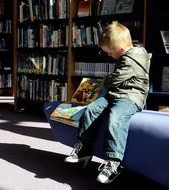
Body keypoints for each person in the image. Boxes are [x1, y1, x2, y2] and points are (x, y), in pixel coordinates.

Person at [64, 21, 151, 184]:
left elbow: (115, 78)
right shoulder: (125, 54)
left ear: (120, 50)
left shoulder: (135, 57)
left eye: (110, 53)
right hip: (115, 94)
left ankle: (114, 162)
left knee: (115, 117)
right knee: (90, 110)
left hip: (131, 97)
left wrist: (105, 80)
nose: (109, 56)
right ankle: (84, 148)